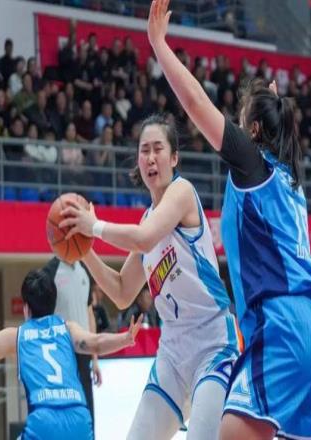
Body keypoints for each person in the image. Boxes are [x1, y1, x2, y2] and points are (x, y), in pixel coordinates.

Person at [144, 1, 311, 439]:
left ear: (253, 132)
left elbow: (195, 102)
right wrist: (266, 102)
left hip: (279, 325)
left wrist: (159, 45)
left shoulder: (253, 164)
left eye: (242, 118)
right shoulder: (290, 181)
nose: (235, 124)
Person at [60, 114, 239, 440]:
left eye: (158, 149)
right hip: (172, 354)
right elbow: (121, 292)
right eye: (144, 150)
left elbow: (143, 239)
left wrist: (94, 227)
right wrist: (83, 250)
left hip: (212, 347)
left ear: (174, 158)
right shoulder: (147, 218)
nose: (151, 157)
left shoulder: (182, 192)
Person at [0, 268, 142, 440]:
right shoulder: (68, 329)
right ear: (54, 302)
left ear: (26, 308)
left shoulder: (18, 336)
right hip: (79, 419)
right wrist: (124, 339)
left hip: (44, 421)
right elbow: (96, 343)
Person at [44, 257, 102, 435]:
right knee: (64, 414)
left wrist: (95, 359)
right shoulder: (50, 272)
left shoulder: (84, 269)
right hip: (60, 356)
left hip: (83, 354)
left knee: (87, 413)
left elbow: (89, 313)